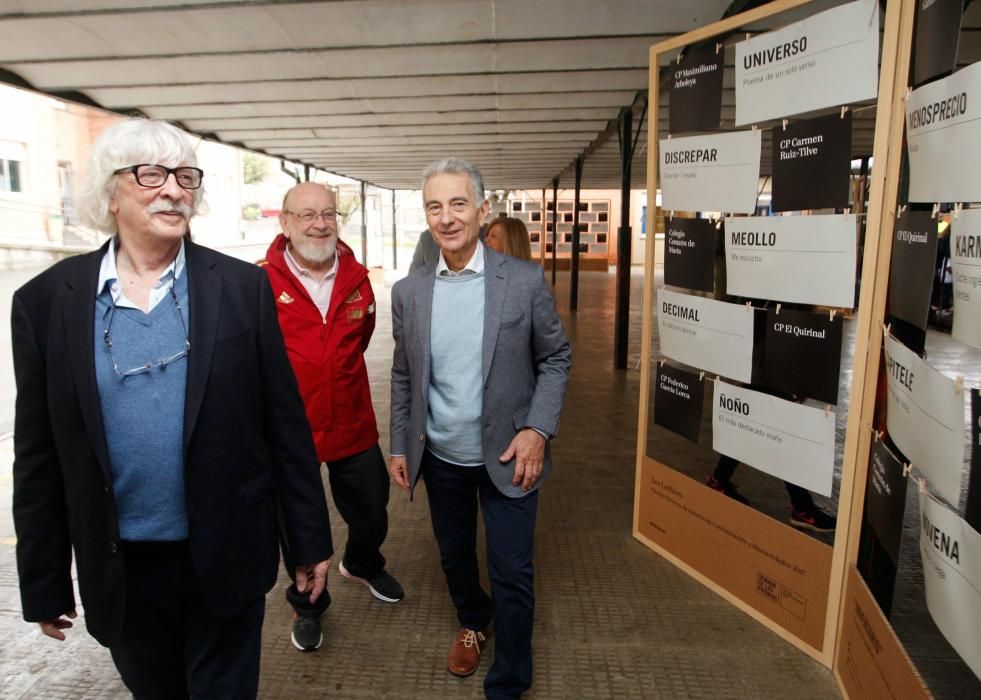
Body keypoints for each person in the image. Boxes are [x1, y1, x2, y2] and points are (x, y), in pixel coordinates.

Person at [11, 119, 333, 699]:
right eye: (151, 174)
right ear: (110, 194)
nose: (174, 190)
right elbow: (38, 457)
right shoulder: (44, 304)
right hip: (123, 570)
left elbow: (284, 426)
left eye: (184, 176)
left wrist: (308, 541)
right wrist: (44, 579)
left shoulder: (240, 288)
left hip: (226, 552)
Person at [389, 158, 571, 699]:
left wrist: (537, 429)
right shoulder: (410, 291)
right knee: (453, 556)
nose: (446, 218)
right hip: (441, 456)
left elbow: (557, 358)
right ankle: (474, 617)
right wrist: (399, 442)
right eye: (434, 206)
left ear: (483, 209)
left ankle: (510, 681)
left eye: (458, 203)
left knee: (512, 570)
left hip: (513, 455)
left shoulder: (522, 280)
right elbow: (404, 373)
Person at [258, 181, 403, 653]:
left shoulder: (359, 279)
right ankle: (308, 606)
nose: (319, 223)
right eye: (306, 215)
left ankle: (361, 562)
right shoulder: (259, 282)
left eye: (328, 214)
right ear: (285, 222)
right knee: (297, 529)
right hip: (288, 431)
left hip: (351, 420)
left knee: (372, 508)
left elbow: (360, 340)